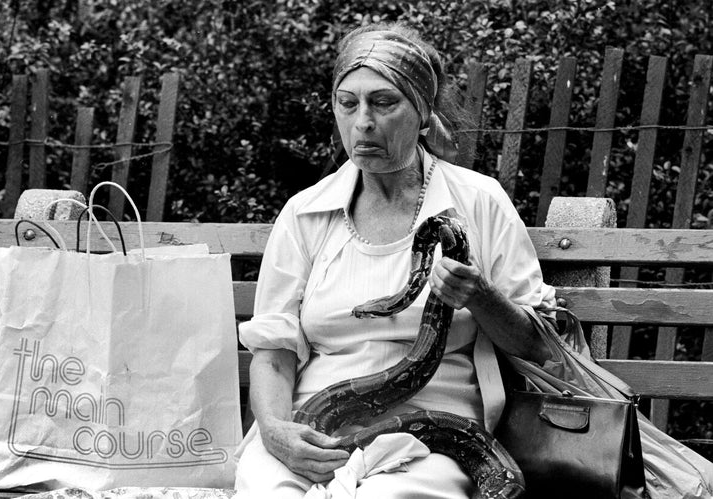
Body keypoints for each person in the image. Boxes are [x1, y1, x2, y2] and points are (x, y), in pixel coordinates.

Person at [233, 21, 556, 499]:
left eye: (384, 103)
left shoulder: (477, 202)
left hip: (433, 441)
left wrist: (481, 297)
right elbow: (274, 351)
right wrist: (277, 432)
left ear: (422, 113)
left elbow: (540, 346)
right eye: (348, 103)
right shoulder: (306, 212)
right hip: (312, 433)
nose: (363, 121)